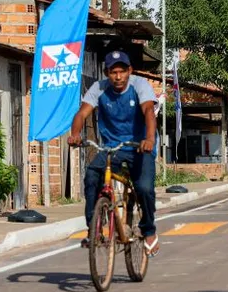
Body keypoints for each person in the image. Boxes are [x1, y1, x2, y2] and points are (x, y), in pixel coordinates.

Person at [68, 50, 160, 257]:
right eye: (113, 72)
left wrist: (150, 139)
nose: (118, 77)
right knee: (92, 175)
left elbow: (148, 111)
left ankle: (149, 230)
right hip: (112, 146)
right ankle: (94, 229)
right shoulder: (98, 88)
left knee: (144, 188)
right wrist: (75, 134)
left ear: (130, 70)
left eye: (122, 72)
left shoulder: (140, 85)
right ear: (107, 73)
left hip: (140, 145)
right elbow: (82, 113)